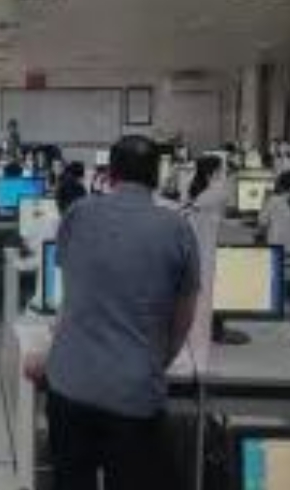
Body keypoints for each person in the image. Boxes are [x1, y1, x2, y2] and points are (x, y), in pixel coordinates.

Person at [29, 135, 200, 490]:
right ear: (157, 177)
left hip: (69, 385)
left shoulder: (78, 213)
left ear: (109, 174)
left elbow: (73, 297)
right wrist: (152, 364)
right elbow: (183, 319)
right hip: (133, 395)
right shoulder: (178, 229)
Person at [182, 155, 227, 361]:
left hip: (194, 248)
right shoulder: (217, 191)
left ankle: (193, 339)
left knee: (196, 295)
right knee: (204, 297)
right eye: (221, 169)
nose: (223, 173)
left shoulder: (193, 188)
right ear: (213, 172)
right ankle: (199, 342)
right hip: (207, 249)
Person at [260, 170, 290, 255]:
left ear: (281, 186)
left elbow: (262, 224)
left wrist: (265, 199)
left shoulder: (273, 201)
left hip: (278, 252)